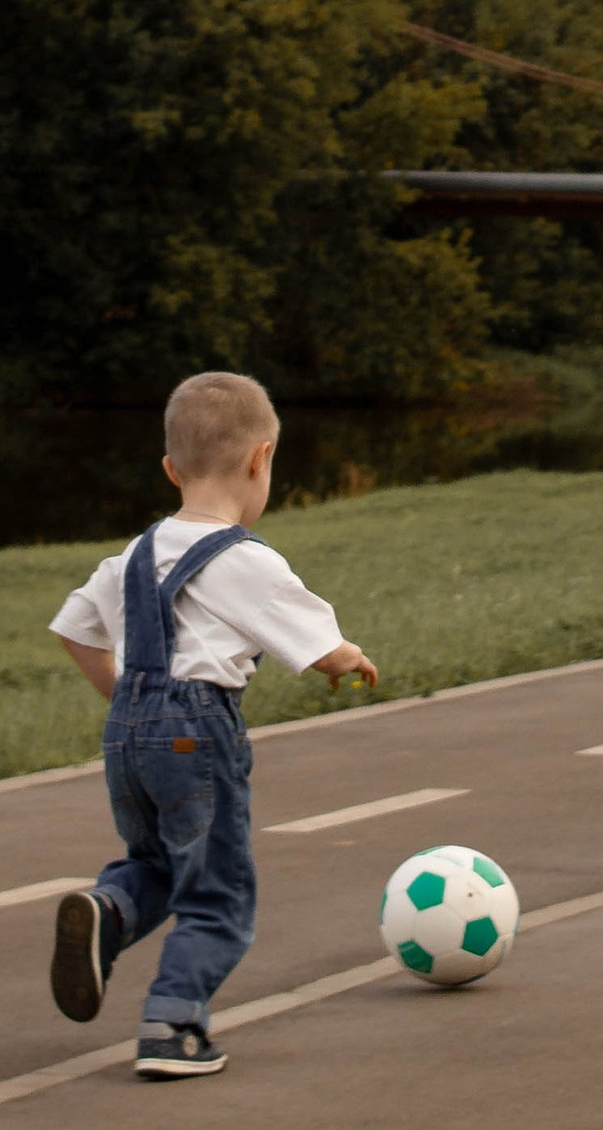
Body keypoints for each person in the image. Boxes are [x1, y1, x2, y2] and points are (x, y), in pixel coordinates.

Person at [45, 369, 378, 1079]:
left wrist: (128, 701)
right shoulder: (246, 561)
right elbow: (321, 645)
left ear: (170, 469)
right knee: (218, 892)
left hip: (129, 733)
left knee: (157, 863)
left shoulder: (132, 554)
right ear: (261, 460)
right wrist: (349, 661)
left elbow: (75, 630)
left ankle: (109, 909)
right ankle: (173, 1025)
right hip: (197, 732)